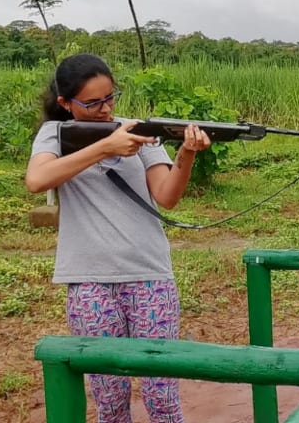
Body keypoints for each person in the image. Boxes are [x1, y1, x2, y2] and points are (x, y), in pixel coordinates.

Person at [25, 53, 210, 423]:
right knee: (109, 396)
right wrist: (104, 148)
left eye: (110, 97)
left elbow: (166, 196)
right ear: (66, 104)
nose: (106, 109)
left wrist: (186, 153)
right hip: (89, 279)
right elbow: (37, 180)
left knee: (162, 393)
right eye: (92, 103)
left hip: (149, 274)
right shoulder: (54, 134)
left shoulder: (139, 129)